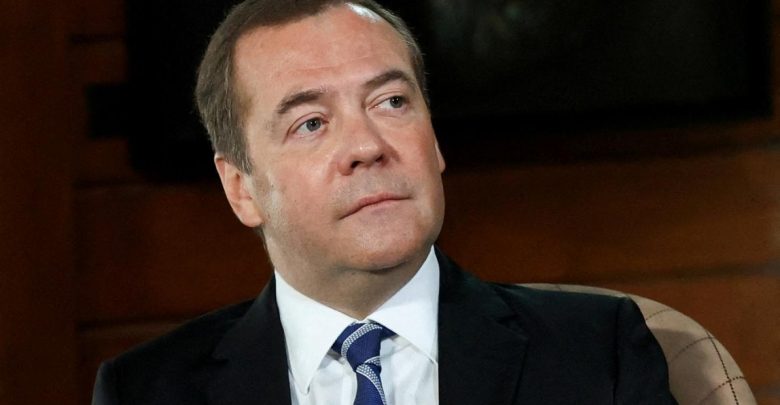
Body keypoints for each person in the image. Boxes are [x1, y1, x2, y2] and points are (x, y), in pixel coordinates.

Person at [92, 1, 677, 404]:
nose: (367, 147)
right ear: (241, 187)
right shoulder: (146, 392)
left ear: (434, 140)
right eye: (311, 123)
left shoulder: (596, 351)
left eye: (391, 102)